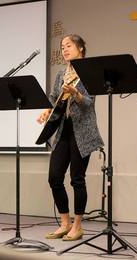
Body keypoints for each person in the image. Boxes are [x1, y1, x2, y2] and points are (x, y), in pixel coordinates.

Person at [37, 34, 104, 241]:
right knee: (54, 177)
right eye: (62, 46)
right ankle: (64, 222)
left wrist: (75, 93)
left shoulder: (89, 72)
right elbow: (53, 98)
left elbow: (89, 103)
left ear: (81, 48)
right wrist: (46, 111)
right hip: (63, 129)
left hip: (82, 132)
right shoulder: (61, 74)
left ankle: (77, 225)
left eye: (69, 46)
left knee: (77, 179)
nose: (65, 49)